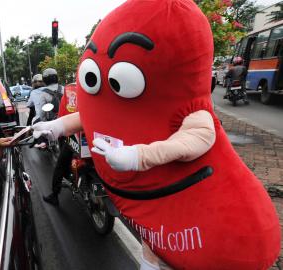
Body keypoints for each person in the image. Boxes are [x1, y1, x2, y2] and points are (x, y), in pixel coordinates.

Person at [33, 0, 279, 268]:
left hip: (193, 213)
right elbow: (92, 114)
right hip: (149, 207)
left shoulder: (190, 113)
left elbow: (198, 137)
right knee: (153, 228)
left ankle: (53, 192)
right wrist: (56, 127)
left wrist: (139, 156)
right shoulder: (79, 92)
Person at [42, 84, 78, 206]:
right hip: (94, 137)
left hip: (75, 136)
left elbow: (62, 117)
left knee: (60, 165)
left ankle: (55, 195)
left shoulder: (69, 90)